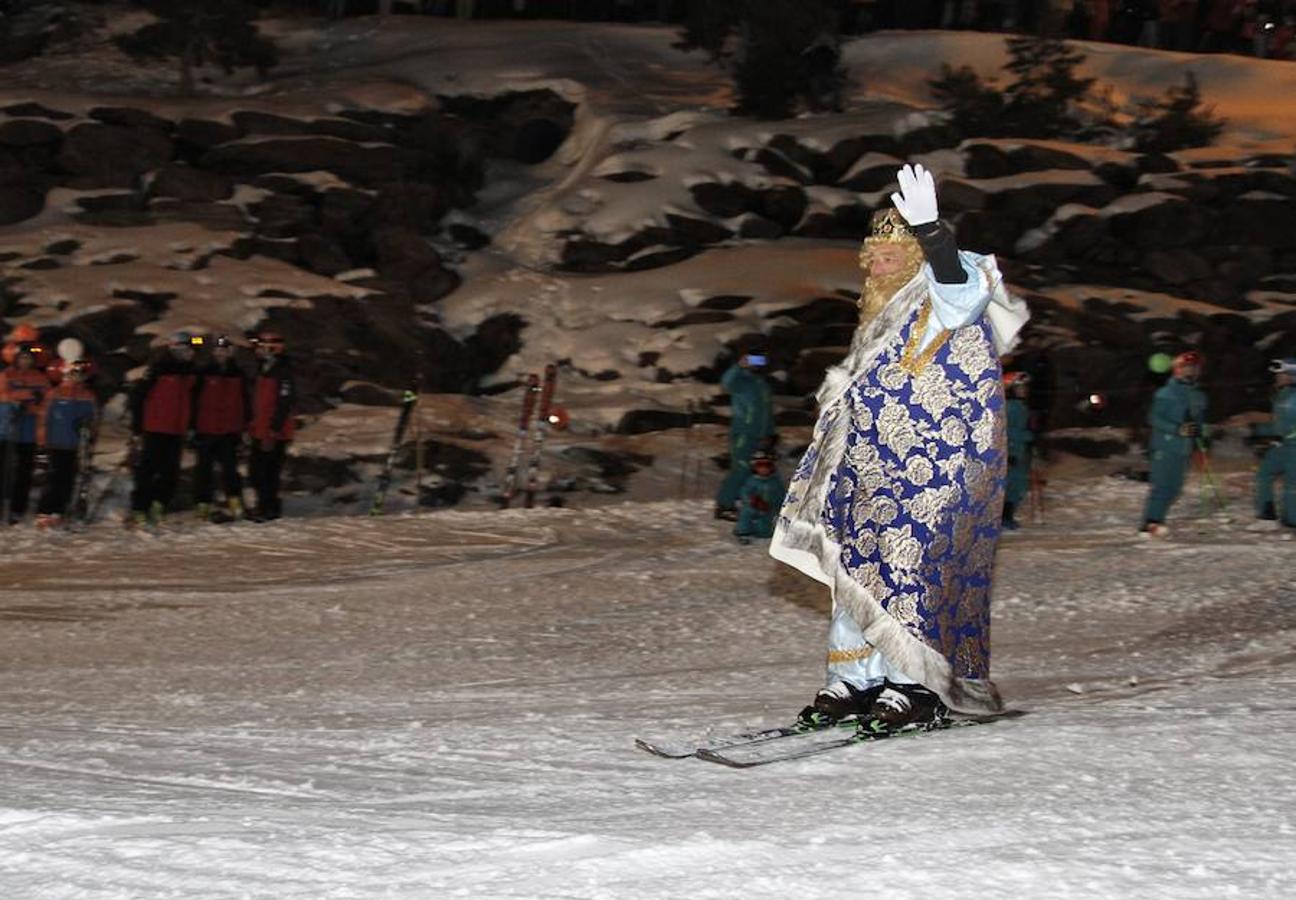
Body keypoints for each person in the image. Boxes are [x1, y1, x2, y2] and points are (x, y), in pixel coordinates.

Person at [772, 164, 1028, 731]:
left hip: (935, 472)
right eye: (874, 258)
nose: (879, 266)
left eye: (891, 256)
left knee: (910, 571)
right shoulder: (880, 320)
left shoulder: (940, 297)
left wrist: (935, 235)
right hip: (872, 468)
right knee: (855, 573)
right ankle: (856, 682)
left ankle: (913, 685)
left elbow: (961, 299)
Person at [130, 332, 198, 526]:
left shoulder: (189, 373)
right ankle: (140, 509)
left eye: (189, 349)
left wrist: (190, 427)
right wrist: (137, 426)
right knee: (148, 471)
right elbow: (138, 398)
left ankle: (158, 505)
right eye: (184, 349)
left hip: (176, 430)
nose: (187, 353)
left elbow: (190, 404)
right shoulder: (158, 370)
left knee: (170, 473)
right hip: (155, 428)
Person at [1140, 350, 1207, 537]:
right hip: (1166, 447)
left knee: (1175, 488)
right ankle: (1150, 523)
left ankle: (1157, 519)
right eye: (1186, 367)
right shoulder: (1166, 393)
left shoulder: (1199, 396)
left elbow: (1200, 422)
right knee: (1162, 486)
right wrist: (1176, 429)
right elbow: (1154, 418)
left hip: (1184, 449)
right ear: (1177, 370)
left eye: (1194, 368)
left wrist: (1201, 438)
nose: (1190, 371)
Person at [192, 335, 250, 522]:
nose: (221, 354)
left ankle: (235, 503)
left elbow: (246, 402)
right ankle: (203, 506)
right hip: (206, 429)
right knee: (204, 471)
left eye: (224, 351)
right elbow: (193, 402)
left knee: (230, 470)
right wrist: (192, 427)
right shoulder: (203, 373)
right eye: (217, 351)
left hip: (229, 430)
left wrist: (245, 426)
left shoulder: (238, 374)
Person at [35, 359, 97, 529]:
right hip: (56, 442)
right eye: (74, 374)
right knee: (54, 478)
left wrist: (90, 435)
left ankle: (60, 511)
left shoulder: (88, 395)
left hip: (74, 444)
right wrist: (42, 440)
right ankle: (45, 511)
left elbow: (93, 420)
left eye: (81, 375)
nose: (78, 378)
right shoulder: (55, 393)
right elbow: (43, 417)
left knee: (68, 479)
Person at [714, 351, 775, 520]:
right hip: (743, 433)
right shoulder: (741, 381)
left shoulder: (763, 385)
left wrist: (770, 433)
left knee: (754, 471)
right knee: (740, 469)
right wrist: (739, 366)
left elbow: (766, 412)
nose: (757, 363)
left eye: (760, 360)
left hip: (760, 436)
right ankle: (724, 505)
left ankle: (744, 502)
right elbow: (726, 383)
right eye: (753, 360)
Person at [0, 343, 52, 524]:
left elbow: (46, 402)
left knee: (23, 472)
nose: (25, 361)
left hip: (28, 431)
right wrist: (24, 396)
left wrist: (33, 403)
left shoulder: (40, 378)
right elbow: (3, 394)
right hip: (6, 429)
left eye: (28, 358)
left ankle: (17, 509)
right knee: (3, 470)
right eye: (22, 357)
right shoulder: (6, 374)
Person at [248, 331, 296, 522]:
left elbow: (285, 402)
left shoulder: (283, 370)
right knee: (257, 471)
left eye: (262, 346)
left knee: (268, 472)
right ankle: (265, 506)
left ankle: (268, 508)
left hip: (276, 432)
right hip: (261, 430)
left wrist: (273, 430)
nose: (258, 350)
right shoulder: (264, 368)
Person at [1252, 357, 1296, 526]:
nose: (1277, 377)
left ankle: (1292, 519)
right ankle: (1267, 513)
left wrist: (1289, 434)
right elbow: (1278, 421)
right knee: (1264, 473)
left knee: (1292, 484)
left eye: (1281, 374)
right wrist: (1259, 433)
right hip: (1282, 445)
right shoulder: (1282, 396)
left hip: (1293, 447)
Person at [1002, 370, 1035, 530]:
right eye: (1020, 388)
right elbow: (1008, 432)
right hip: (1013, 451)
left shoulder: (1021, 407)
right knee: (1011, 485)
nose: (1024, 391)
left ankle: (1008, 516)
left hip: (1020, 451)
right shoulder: (1010, 408)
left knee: (1019, 484)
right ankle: (1004, 517)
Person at [734, 449, 786, 544]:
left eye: (767, 466)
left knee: (765, 529)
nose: (764, 469)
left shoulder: (775, 482)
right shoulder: (752, 481)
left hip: (770, 510)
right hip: (755, 508)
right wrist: (752, 501)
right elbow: (744, 493)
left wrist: (778, 508)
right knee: (746, 513)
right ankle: (744, 533)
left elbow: (781, 496)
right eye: (760, 466)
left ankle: (768, 532)